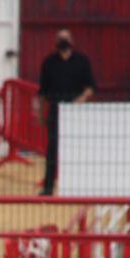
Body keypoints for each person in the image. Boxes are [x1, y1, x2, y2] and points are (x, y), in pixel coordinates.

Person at [37, 28, 95, 195]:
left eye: (66, 38)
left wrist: (77, 103)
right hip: (55, 111)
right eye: (60, 38)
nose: (63, 41)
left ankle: (77, 187)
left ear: (72, 42)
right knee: (52, 151)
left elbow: (91, 88)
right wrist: (41, 115)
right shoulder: (48, 63)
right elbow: (42, 93)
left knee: (76, 150)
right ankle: (48, 187)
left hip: (75, 114)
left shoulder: (82, 61)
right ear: (56, 42)